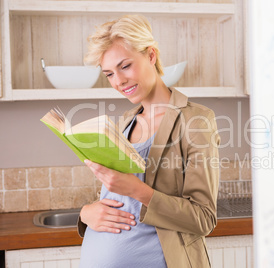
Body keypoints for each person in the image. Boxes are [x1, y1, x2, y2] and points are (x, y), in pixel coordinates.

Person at [77, 14, 220, 268]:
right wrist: (86, 213)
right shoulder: (125, 122)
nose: (118, 82)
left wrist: (137, 189)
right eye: (109, 74)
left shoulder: (196, 120)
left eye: (125, 66)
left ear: (151, 56)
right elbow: (118, 201)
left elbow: (204, 218)